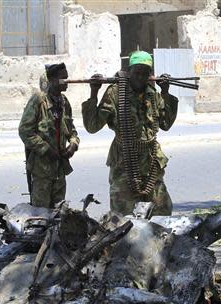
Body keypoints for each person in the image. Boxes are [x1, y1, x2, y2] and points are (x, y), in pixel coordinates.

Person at [82, 51, 179, 216]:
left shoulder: (153, 94)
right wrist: (94, 93)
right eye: (137, 72)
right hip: (125, 161)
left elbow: (165, 124)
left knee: (161, 210)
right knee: (122, 215)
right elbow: (92, 126)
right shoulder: (116, 93)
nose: (141, 77)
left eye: (145, 72)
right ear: (129, 71)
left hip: (151, 161)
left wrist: (166, 92)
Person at [19, 63, 80, 208]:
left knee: (59, 213)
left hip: (60, 169)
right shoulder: (39, 101)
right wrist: (46, 149)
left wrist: (73, 145)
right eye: (62, 78)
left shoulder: (64, 102)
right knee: (40, 216)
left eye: (67, 77)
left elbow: (72, 132)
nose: (66, 81)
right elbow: (25, 131)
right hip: (42, 171)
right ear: (52, 80)